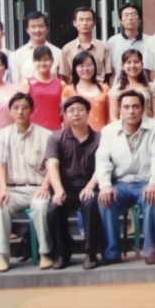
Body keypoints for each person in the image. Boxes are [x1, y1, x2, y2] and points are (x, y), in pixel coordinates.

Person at [96, 90, 155, 265]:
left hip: (145, 182)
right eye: (126, 107)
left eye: (135, 107)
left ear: (143, 109)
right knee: (105, 199)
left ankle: (150, 250)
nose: (131, 111)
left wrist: (154, 183)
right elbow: (103, 160)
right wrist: (105, 185)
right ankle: (112, 252)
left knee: (153, 198)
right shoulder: (109, 131)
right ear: (120, 109)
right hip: (120, 183)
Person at [0, 92, 53, 272]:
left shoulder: (46, 135)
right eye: (16, 108)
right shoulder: (1, 136)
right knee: (0, 205)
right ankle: (3, 255)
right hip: (13, 190)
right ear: (10, 111)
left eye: (25, 107)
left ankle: (45, 253)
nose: (20, 112)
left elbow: (52, 166)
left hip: (38, 188)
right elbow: (0, 165)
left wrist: (45, 187)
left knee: (41, 206)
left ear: (32, 110)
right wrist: (2, 189)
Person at [45, 96, 103, 270]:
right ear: (65, 114)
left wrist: (90, 186)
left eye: (80, 110)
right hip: (66, 186)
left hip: (91, 184)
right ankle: (62, 253)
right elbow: (52, 164)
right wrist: (58, 190)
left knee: (90, 204)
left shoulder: (100, 138)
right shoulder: (56, 137)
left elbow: (103, 165)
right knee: (54, 208)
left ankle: (91, 253)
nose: (76, 114)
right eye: (71, 110)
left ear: (88, 112)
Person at [60, 7, 111, 85]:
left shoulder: (103, 47)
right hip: (75, 89)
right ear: (74, 23)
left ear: (94, 23)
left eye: (88, 19)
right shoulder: (67, 49)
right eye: (81, 19)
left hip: (99, 88)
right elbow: (65, 76)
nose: (85, 23)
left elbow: (109, 74)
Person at [61, 51, 110, 131]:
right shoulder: (68, 90)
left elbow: (109, 116)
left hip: (101, 134)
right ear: (75, 68)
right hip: (77, 135)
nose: (85, 69)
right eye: (81, 66)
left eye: (89, 65)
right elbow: (66, 117)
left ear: (94, 66)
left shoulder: (105, 88)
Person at [109, 49, 155, 122]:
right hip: (124, 128)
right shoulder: (115, 89)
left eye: (136, 62)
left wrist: (152, 127)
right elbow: (113, 116)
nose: (132, 65)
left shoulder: (152, 87)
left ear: (142, 64)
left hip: (148, 127)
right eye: (128, 62)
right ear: (122, 66)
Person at [19, 45, 63, 131]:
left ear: (52, 61)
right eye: (39, 60)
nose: (42, 63)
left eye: (46, 60)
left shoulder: (61, 84)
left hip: (55, 129)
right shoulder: (27, 83)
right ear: (34, 61)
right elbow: (22, 109)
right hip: (33, 129)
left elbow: (65, 110)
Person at [12, 11, 63, 84]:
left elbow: (63, 82)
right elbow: (16, 83)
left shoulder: (58, 53)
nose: (37, 30)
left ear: (47, 29)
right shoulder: (18, 55)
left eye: (41, 26)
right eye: (33, 27)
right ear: (27, 30)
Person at [106, 2, 152, 82]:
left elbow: (152, 70)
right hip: (120, 86)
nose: (130, 18)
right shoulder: (112, 42)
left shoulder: (150, 41)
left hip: (144, 85)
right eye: (126, 15)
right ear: (120, 20)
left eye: (133, 14)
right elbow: (112, 71)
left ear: (140, 19)